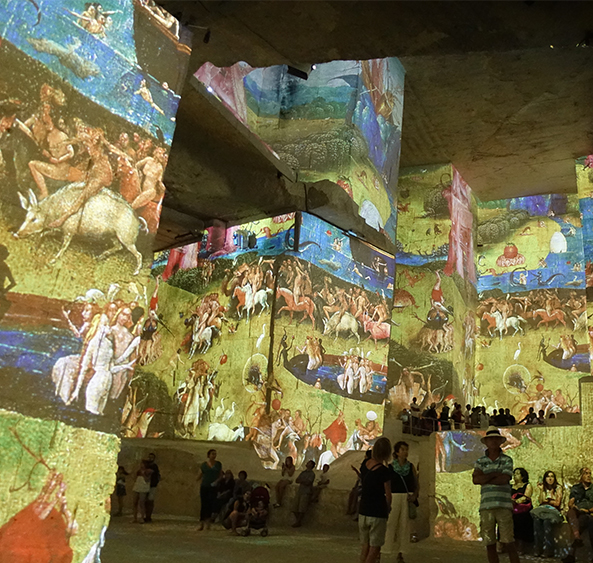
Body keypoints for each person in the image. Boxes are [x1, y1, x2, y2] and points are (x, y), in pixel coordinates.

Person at [472, 427, 520, 563]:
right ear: (486, 442)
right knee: (489, 543)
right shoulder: (480, 461)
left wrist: (485, 476)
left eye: (495, 439)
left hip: (503, 505)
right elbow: (476, 480)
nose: (493, 441)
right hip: (486, 506)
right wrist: (495, 474)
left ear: (500, 441)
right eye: (490, 439)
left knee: (509, 542)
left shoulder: (507, 459)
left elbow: (504, 479)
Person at [358, 437, 392, 563]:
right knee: (375, 547)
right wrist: (388, 509)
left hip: (363, 509)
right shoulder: (384, 471)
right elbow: (388, 494)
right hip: (377, 511)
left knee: (365, 546)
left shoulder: (364, 465)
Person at [384, 441, 418, 563]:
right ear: (397, 452)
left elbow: (415, 482)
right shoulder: (390, 467)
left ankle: (401, 552)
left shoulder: (411, 466)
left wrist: (415, 495)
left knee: (405, 526)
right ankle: (385, 549)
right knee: (390, 524)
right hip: (394, 497)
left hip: (406, 497)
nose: (405, 452)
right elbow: (387, 484)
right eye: (403, 450)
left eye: (406, 450)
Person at [563, 467, 593, 563]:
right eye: (586, 473)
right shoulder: (576, 488)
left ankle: (572, 552)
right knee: (570, 512)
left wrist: (588, 510)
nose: (588, 475)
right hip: (578, 511)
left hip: (589, 513)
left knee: (581, 522)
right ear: (581, 476)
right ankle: (577, 538)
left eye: (590, 473)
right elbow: (571, 502)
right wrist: (574, 506)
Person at [531, 470, 563, 558]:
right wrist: (541, 490)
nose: (550, 478)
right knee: (536, 520)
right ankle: (538, 548)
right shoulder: (543, 488)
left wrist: (548, 501)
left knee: (546, 522)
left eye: (552, 476)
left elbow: (557, 503)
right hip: (543, 510)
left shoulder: (558, 488)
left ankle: (548, 549)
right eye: (548, 476)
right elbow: (541, 501)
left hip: (553, 511)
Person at [196, 449, 222, 530]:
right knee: (204, 504)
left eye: (215, 454)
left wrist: (216, 482)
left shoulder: (218, 464)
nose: (214, 455)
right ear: (208, 455)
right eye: (212, 454)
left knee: (210, 504)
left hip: (213, 487)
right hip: (205, 486)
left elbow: (220, 475)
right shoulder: (204, 465)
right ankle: (202, 522)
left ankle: (208, 523)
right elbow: (199, 475)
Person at [511, 467, 533, 555]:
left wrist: (515, 501)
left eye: (517, 473)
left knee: (521, 519)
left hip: (522, 509)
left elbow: (526, 497)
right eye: (514, 474)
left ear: (522, 476)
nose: (515, 475)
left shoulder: (527, 485)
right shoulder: (510, 486)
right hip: (512, 508)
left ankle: (520, 546)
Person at [292, 460, 315, 527]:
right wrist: (304, 481)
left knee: (302, 508)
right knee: (294, 507)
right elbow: (297, 480)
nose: (307, 464)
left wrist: (302, 481)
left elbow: (308, 482)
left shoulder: (312, 474)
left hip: (306, 492)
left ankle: (298, 521)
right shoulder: (303, 472)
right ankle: (298, 521)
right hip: (300, 491)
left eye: (309, 463)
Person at [144, 453, 160, 523]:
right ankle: (146, 516)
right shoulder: (146, 466)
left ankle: (148, 516)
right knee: (145, 501)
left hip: (152, 485)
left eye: (151, 457)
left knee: (150, 501)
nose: (150, 459)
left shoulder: (154, 466)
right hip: (145, 485)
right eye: (149, 457)